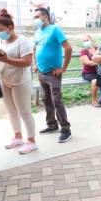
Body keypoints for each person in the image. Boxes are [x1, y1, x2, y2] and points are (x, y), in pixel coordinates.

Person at [0, 9, 38, 154]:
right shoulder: (2, 40)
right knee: (11, 111)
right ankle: (17, 136)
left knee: (24, 112)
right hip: (5, 80)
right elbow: (2, 58)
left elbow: (27, 62)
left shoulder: (23, 41)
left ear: (10, 27)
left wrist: (6, 59)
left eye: (0, 29)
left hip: (20, 81)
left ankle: (31, 141)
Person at [33, 8, 73, 143]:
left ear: (45, 17)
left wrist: (64, 68)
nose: (35, 19)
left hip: (53, 73)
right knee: (46, 100)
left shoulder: (55, 30)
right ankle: (52, 125)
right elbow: (34, 49)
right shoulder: (37, 32)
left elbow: (68, 48)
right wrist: (35, 64)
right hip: (41, 72)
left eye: (37, 16)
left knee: (57, 101)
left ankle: (66, 129)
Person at [79, 34, 101, 107]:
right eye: (84, 41)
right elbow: (87, 62)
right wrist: (99, 62)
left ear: (91, 40)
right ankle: (94, 100)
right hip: (88, 73)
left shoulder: (97, 48)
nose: (86, 42)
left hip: (99, 71)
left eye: (87, 40)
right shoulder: (84, 51)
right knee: (95, 81)